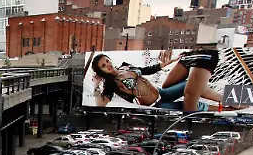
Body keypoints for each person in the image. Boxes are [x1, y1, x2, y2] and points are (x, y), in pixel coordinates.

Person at [89, 47, 223, 113]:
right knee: (188, 106)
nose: (108, 65)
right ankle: (226, 109)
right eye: (103, 66)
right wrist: (96, 85)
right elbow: (101, 104)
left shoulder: (125, 66)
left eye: (107, 61)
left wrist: (171, 61)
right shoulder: (111, 84)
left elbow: (149, 69)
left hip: (162, 93)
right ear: (101, 71)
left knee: (191, 86)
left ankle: (231, 99)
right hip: (156, 105)